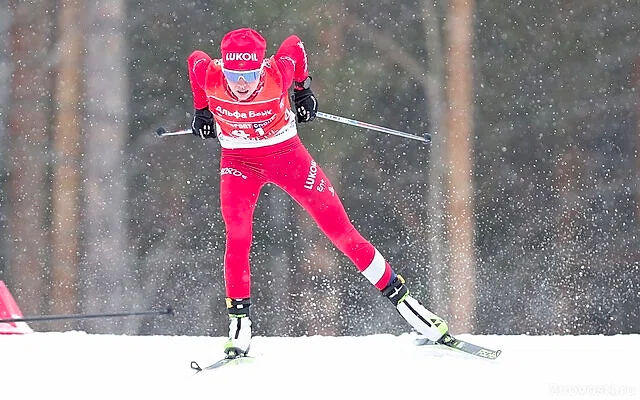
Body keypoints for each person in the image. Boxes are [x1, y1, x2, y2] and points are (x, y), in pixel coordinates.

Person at [187, 28, 449, 358]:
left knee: (341, 231)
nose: (242, 84)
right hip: (238, 161)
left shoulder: (275, 75)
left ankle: (411, 307)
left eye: (250, 74)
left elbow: (294, 45)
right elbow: (194, 59)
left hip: (287, 156)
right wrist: (202, 111)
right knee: (238, 235)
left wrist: (302, 90)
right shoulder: (210, 74)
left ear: (260, 68)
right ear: (224, 67)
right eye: (235, 75)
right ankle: (240, 325)